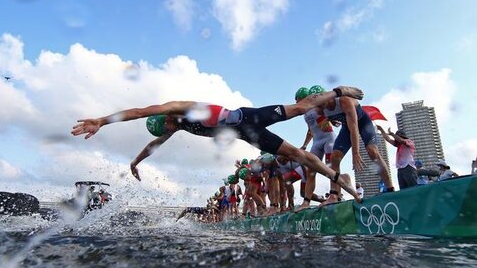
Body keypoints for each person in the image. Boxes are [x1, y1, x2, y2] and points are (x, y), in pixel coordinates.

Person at [71, 86, 366, 202]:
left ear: (168, 118)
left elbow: (138, 112)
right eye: (169, 127)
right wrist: (136, 162)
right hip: (247, 135)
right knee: (298, 155)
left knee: (300, 108)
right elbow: (154, 145)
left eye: (169, 124)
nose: (171, 129)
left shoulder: (179, 107)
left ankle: (339, 90)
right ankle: (347, 188)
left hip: (250, 117)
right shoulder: (175, 127)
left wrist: (101, 119)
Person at [320, 88, 394, 203]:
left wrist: (356, 153)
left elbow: (354, 128)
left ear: (329, 97)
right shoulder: (320, 108)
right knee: (334, 157)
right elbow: (333, 118)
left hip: (362, 123)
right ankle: (334, 195)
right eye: (319, 105)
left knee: (372, 152)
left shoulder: (344, 101)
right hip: (346, 127)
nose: (323, 107)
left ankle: (390, 188)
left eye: (324, 103)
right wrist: (330, 121)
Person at [296, 85, 337, 210]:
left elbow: (328, 115)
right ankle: (306, 202)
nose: (296, 103)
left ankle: (334, 195)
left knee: (330, 167)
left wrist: (331, 120)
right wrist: (305, 144)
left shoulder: (317, 105)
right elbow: (310, 130)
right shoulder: (304, 112)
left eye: (297, 99)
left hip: (328, 139)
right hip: (316, 141)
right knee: (311, 171)